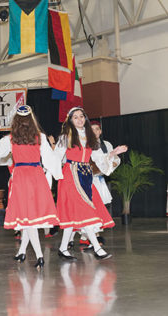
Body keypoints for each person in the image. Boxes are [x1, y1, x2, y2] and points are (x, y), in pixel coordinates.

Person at [0, 105, 62, 269]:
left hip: (21, 177)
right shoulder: (39, 137)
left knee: (28, 220)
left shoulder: (10, 138)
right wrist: (55, 175)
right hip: (36, 177)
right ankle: (22, 252)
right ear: (32, 119)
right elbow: (50, 160)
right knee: (29, 219)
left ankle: (40, 256)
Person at [54, 107, 127, 260]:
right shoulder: (65, 137)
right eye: (76, 117)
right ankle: (97, 248)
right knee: (84, 210)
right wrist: (53, 175)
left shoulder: (89, 137)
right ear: (70, 120)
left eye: (82, 116)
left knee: (76, 213)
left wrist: (114, 153)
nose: (80, 119)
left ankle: (62, 248)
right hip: (71, 176)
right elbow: (56, 159)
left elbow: (99, 158)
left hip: (86, 176)